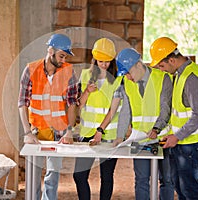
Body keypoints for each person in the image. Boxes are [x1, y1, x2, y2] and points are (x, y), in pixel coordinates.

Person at [149, 37, 198, 200]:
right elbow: (179, 112)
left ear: (172, 60)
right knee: (180, 187)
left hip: (193, 145)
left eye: (162, 65)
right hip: (183, 143)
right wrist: (173, 134)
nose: (161, 69)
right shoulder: (179, 74)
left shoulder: (192, 77)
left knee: (189, 190)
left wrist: (177, 136)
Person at [18, 33, 78, 200]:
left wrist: (69, 131)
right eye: (61, 56)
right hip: (36, 131)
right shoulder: (31, 70)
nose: (63, 60)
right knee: (34, 176)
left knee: (53, 174)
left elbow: (72, 103)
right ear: (50, 51)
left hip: (59, 131)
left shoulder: (68, 71)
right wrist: (27, 133)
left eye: (65, 56)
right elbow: (22, 103)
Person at [113, 48, 174, 200]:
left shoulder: (163, 78)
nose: (127, 77)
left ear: (138, 65)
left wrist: (156, 128)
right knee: (141, 180)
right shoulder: (127, 83)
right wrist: (120, 136)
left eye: (128, 73)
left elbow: (165, 107)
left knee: (166, 179)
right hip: (139, 140)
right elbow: (126, 111)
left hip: (163, 138)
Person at [73, 38, 120, 200]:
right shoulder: (85, 75)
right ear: (94, 59)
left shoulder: (117, 80)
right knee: (79, 176)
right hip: (87, 134)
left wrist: (100, 131)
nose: (104, 64)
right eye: (101, 61)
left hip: (108, 135)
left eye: (107, 61)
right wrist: (87, 91)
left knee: (106, 177)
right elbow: (78, 105)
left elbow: (113, 110)